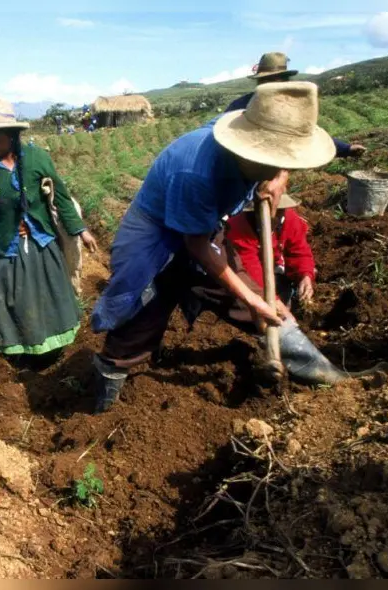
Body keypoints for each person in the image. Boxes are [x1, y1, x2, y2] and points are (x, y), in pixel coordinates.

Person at [89, 81, 337, 414]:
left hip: (206, 223)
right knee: (145, 303)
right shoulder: (195, 170)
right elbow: (196, 245)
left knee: (256, 295)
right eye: (276, 161)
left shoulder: (262, 151)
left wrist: (278, 177)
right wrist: (251, 301)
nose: (280, 166)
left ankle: (316, 369)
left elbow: (278, 160)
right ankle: (106, 398)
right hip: (155, 229)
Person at [0, 98, 98, 365]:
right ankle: (15, 356)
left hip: (40, 246)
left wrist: (81, 231)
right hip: (2, 249)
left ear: (13, 134)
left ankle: (51, 352)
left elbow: (62, 197)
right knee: (12, 305)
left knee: (47, 299)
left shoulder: (38, 158)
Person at [226, 52, 366, 159]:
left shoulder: (290, 108)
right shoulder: (241, 105)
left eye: (275, 81)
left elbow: (308, 132)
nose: (271, 86)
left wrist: (346, 148)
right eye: (266, 80)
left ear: (284, 81)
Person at [225, 194, 316, 309]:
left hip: (273, 270)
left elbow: (299, 251)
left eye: (280, 211)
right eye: (273, 212)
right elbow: (250, 270)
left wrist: (305, 276)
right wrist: (275, 303)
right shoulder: (238, 229)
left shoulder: (290, 219)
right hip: (243, 278)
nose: (277, 216)